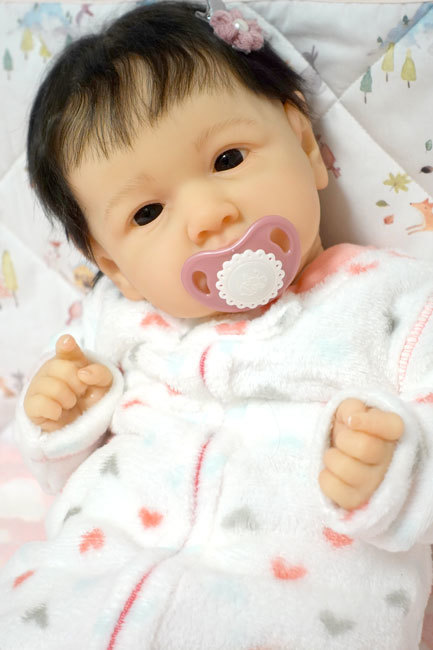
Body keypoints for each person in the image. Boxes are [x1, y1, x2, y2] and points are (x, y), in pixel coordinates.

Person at [1, 1, 432, 648]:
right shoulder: (114, 323)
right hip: (76, 596)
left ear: (306, 145)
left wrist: (397, 470)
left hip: (291, 613)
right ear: (115, 266)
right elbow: (62, 479)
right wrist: (60, 421)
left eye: (228, 158)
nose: (207, 216)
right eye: (147, 213)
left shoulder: (391, 300)